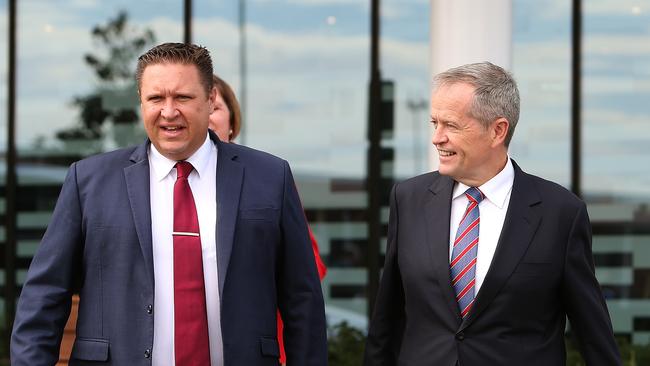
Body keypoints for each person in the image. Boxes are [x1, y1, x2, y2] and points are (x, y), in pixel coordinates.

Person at [11, 42, 328, 366]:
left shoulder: (271, 177)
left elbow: (303, 302)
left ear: (210, 99)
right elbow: (43, 298)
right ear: (141, 102)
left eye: (183, 97)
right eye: (156, 98)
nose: (168, 111)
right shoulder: (89, 181)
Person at [364, 62, 621, 365]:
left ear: (498, 130)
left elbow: (594, 335)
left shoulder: (561, 213)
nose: (437, 137)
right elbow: (387, 320)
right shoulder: (408, 200)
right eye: (434, 123)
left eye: (451, 125)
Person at [208, 73, 327, 365]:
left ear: (232, 123)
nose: (205, 115)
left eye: (215, 108)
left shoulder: (267, 180)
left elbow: (308, 271)